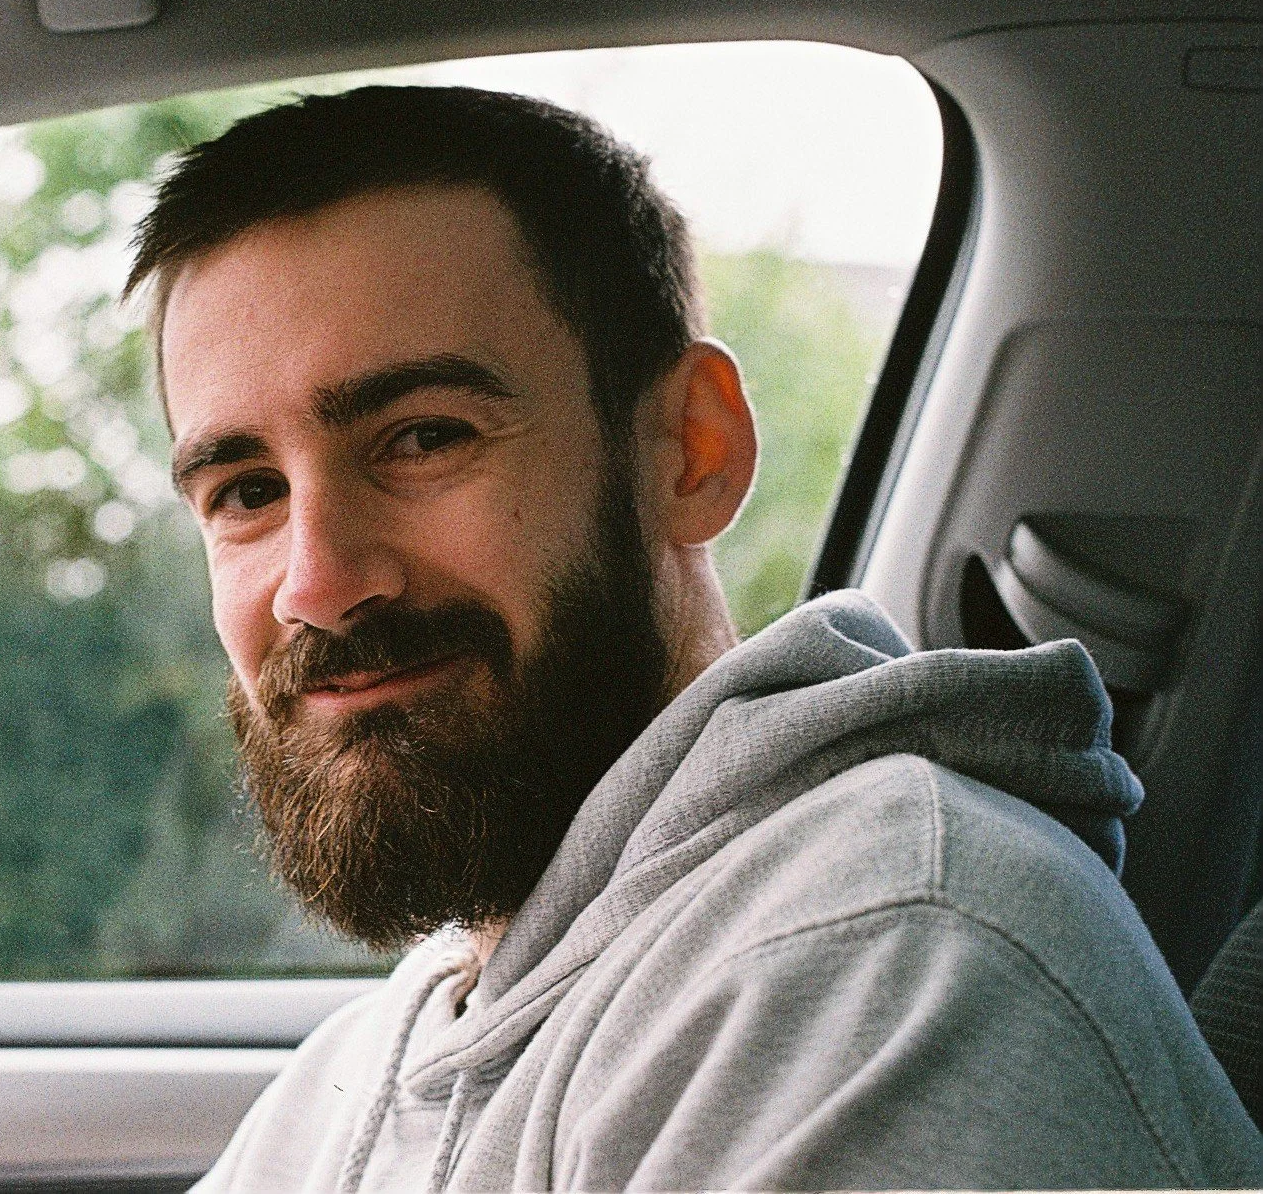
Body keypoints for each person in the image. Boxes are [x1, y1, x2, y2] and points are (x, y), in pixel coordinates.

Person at [123, 85, 1263, 1191]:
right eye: (244, 490)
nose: (316, 584)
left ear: (689, 452)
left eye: (423, 437)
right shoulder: (375, 1056)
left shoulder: (878, 961)